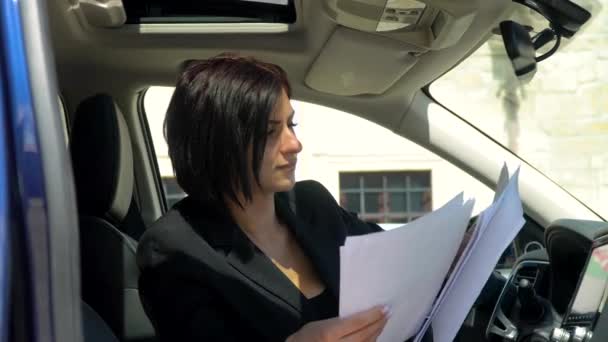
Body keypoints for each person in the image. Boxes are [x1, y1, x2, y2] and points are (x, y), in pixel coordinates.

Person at [137, 54, 426, 341]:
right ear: (218, 143)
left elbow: (393, 255)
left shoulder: (313, 203)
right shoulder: (175, 250)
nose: (294, 144)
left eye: (292, 125)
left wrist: (450, 246)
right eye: (270, 131)